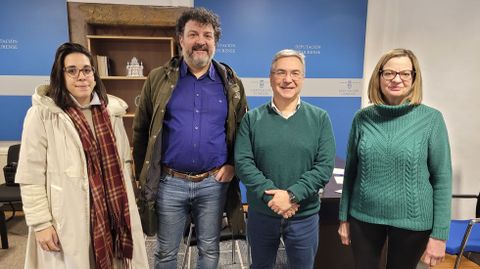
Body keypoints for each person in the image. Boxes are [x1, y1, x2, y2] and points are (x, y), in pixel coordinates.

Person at [132, 7, 248, 268]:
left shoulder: (231, 83)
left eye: (207, 35)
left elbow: (243, 131)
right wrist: (144, 174)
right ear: (180, 39)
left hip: (213, 184)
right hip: (169, 182)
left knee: (210, 249)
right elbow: (141, 131)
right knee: (165, 252)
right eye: (193, 33)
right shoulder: (158, 79)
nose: (200, 41)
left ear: (215, 42)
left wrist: (233, 165)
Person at [15, 42, 149, 269]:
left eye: (87, 70)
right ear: (61, 75)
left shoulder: (111, 113)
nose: (81, 76)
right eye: (72, 70)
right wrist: (41, 223)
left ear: (94, 75)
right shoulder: (43, 115)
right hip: (68, 217)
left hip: (112, 213)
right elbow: (31, 175)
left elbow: (123, 168)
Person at [338, 48, 452, 269]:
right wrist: (344, 218)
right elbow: (351, 172)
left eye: (405, 73)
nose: (396, 79)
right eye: (389, 73)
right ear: (379, 77)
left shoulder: (431, 120)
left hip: (413, 222)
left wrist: (440, 235)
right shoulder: (362, 119)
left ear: (414, 78)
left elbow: (442, 179)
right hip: (364, 218)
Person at [234, 49, 336, 269]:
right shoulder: (252, 119)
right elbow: (243, 164)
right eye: (281, 72)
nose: (288, 79)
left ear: (303, 78)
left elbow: (324, 166)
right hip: (261, 214)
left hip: (304, 215)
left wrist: (291, 196)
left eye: (295, 73)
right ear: (271, 78)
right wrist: (273, 198)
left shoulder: (320, 118)